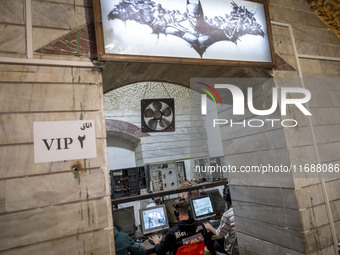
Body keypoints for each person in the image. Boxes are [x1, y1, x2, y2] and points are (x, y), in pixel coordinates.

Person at [204, 184, 236, 255]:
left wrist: (210, 227)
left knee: (213, 242)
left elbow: (219, 234)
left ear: (226, 198)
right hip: (240, 246)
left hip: (231, 249)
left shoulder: (228, 214)